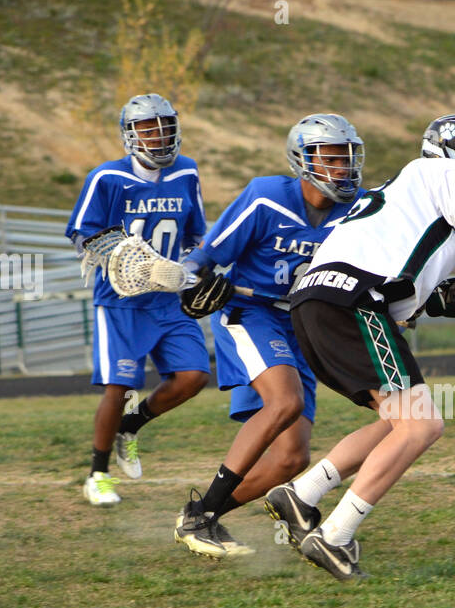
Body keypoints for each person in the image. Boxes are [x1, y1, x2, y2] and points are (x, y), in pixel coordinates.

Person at [271, 114, 455, 580]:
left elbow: (405, 297)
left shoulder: (408, 191)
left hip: (318, 304)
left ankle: (301, 494)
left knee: (399, 423)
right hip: (352, 303)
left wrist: (445, 298)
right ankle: (334, 536)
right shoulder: (450, 173)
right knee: (421, 426)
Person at [172, 114, 366, 559]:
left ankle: (202, 514)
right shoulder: (265, 198)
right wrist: (196, 285)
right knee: (285, 401)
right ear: (304, 160)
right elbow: (202, 261)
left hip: (305, 327)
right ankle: (202, 521)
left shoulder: (358, 213)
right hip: (253, 312)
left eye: (348, 157)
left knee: (291, 460)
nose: (343, 168)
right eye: (331, 158)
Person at [66, 93, 209, 506]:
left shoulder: (187, 171)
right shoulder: (106, 178)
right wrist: (136, 263)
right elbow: (84, 235)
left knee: (194, 376)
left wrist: (197, 269)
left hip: (168, 299)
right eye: (148, 128)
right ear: (130, 135)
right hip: (122, 301)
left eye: (165, 125)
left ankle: (133, 424)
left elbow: (195, 234)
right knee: (119, 386)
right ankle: (97, 474)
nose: (159, 135)